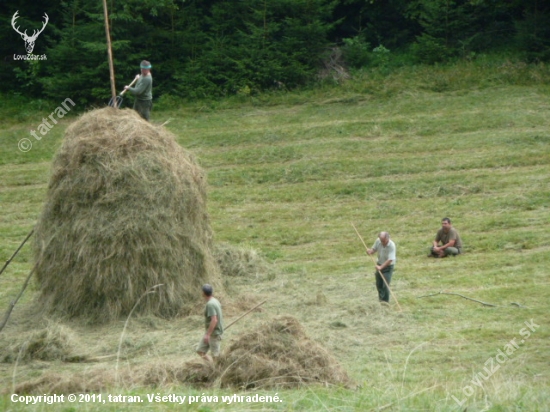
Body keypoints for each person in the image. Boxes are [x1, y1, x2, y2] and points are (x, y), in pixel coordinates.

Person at [196, 284, 224, 362]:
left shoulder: (210, 304)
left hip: (214, 334)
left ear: (204, 293)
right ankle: (211, 367)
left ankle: (217, 370)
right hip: (210, 332)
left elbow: (214, 320)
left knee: (216, 357)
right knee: (200, 350)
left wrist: (208, 335)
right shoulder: (215, 300)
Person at [367, 232, 396, 303]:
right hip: (379, 264)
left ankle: (385, 303)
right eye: (381, 240)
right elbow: (374, 249)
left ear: (387, 238)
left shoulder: (392, 245)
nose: (382, 242)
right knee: (379, 284)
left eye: (383, 241)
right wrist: (370, 251)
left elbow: (390, 259)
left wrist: (381, 267)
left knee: (385, 285)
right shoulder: (378, 241)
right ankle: (381, 300)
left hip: (388, 267)